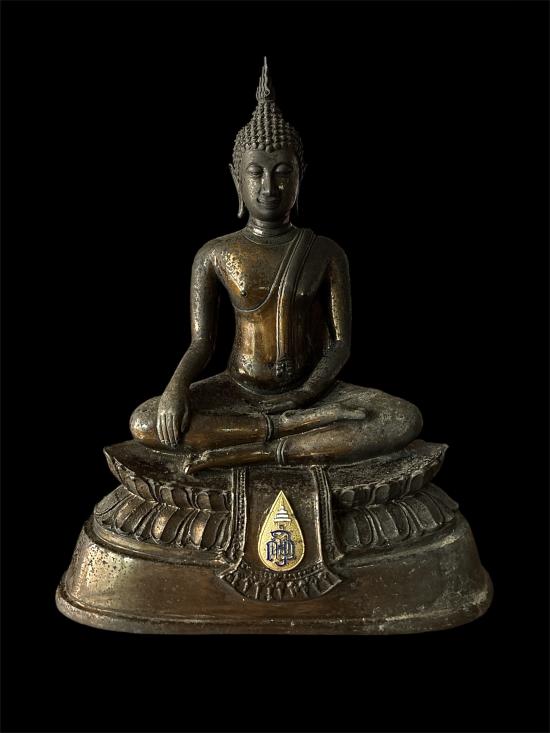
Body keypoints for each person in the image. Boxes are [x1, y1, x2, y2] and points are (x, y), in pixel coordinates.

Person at [130, 59, 422, 473]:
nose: (270, 187)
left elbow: (340, 344)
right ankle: (286, 432)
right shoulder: (215, 253)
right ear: (236, 179)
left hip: (313, 395)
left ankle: (264, 447)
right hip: (238, 391)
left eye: (283, 173)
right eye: (256, 173)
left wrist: (305, 394)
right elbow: (202, 342)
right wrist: (176, 388)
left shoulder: (326, 252)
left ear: (302, 177)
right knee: (146, 421)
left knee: (402, 417)